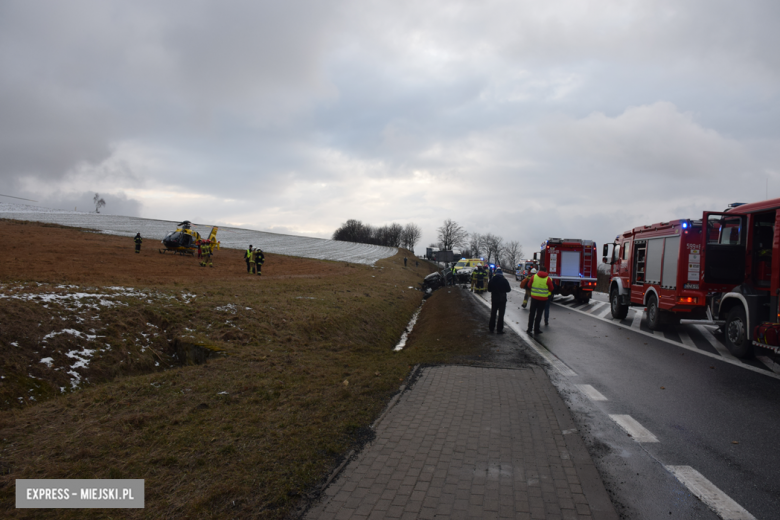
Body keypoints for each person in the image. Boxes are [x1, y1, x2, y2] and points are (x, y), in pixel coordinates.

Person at [526, 267, 554, 334]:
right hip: (543, 299)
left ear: (539, 270)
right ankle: (536, 329)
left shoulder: (534, 277)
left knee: (532, 313)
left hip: (534, 298)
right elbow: (551, 289)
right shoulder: (548, 279)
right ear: (545, 271)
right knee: (539, 314)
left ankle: (529, 328)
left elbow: (529, 285)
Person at [487, 267, 512, 334]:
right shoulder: (504, 280)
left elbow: (489, 289)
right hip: (502, 299)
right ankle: (499, 329)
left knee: (493, 314)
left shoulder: (492, 280)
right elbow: (508, 290)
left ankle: (491, 328)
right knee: (501, 315)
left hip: (494, 299)